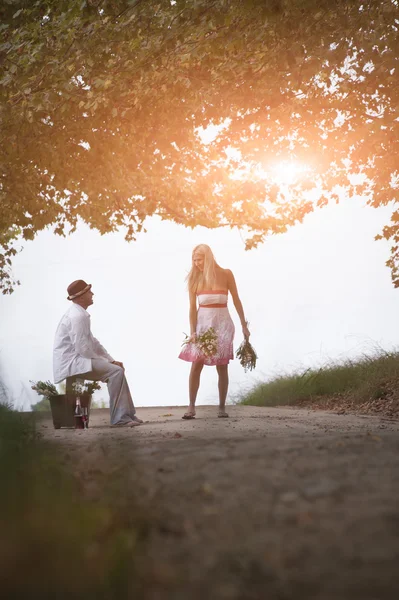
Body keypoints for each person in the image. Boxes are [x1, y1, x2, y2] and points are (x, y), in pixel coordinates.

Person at [53, 279, 143, 427]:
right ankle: (120, 419)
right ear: (81, 297)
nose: (92, 294)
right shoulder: (78, 316)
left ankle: (127, 414)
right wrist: (108, 363)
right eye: (89, 292)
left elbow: (92, 342)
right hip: (73, 362)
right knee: (116, 372)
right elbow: (82, 349)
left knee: (117, 369)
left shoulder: (79, 313)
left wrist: (110, 359)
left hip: (77, 359)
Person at [178, 244, 250, 419]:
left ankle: (222, 407)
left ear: (208, 258)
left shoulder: (226, 274)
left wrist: (243, 325)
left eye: (199, 259)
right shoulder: (195, 279)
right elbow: (191, 308)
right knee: (196, 364)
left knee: (222, 365)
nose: (196, 264)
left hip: (223, 324)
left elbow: (236, 300)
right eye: (194, 260)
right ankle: (191, 407)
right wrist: (193, 331)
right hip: (203, 326)